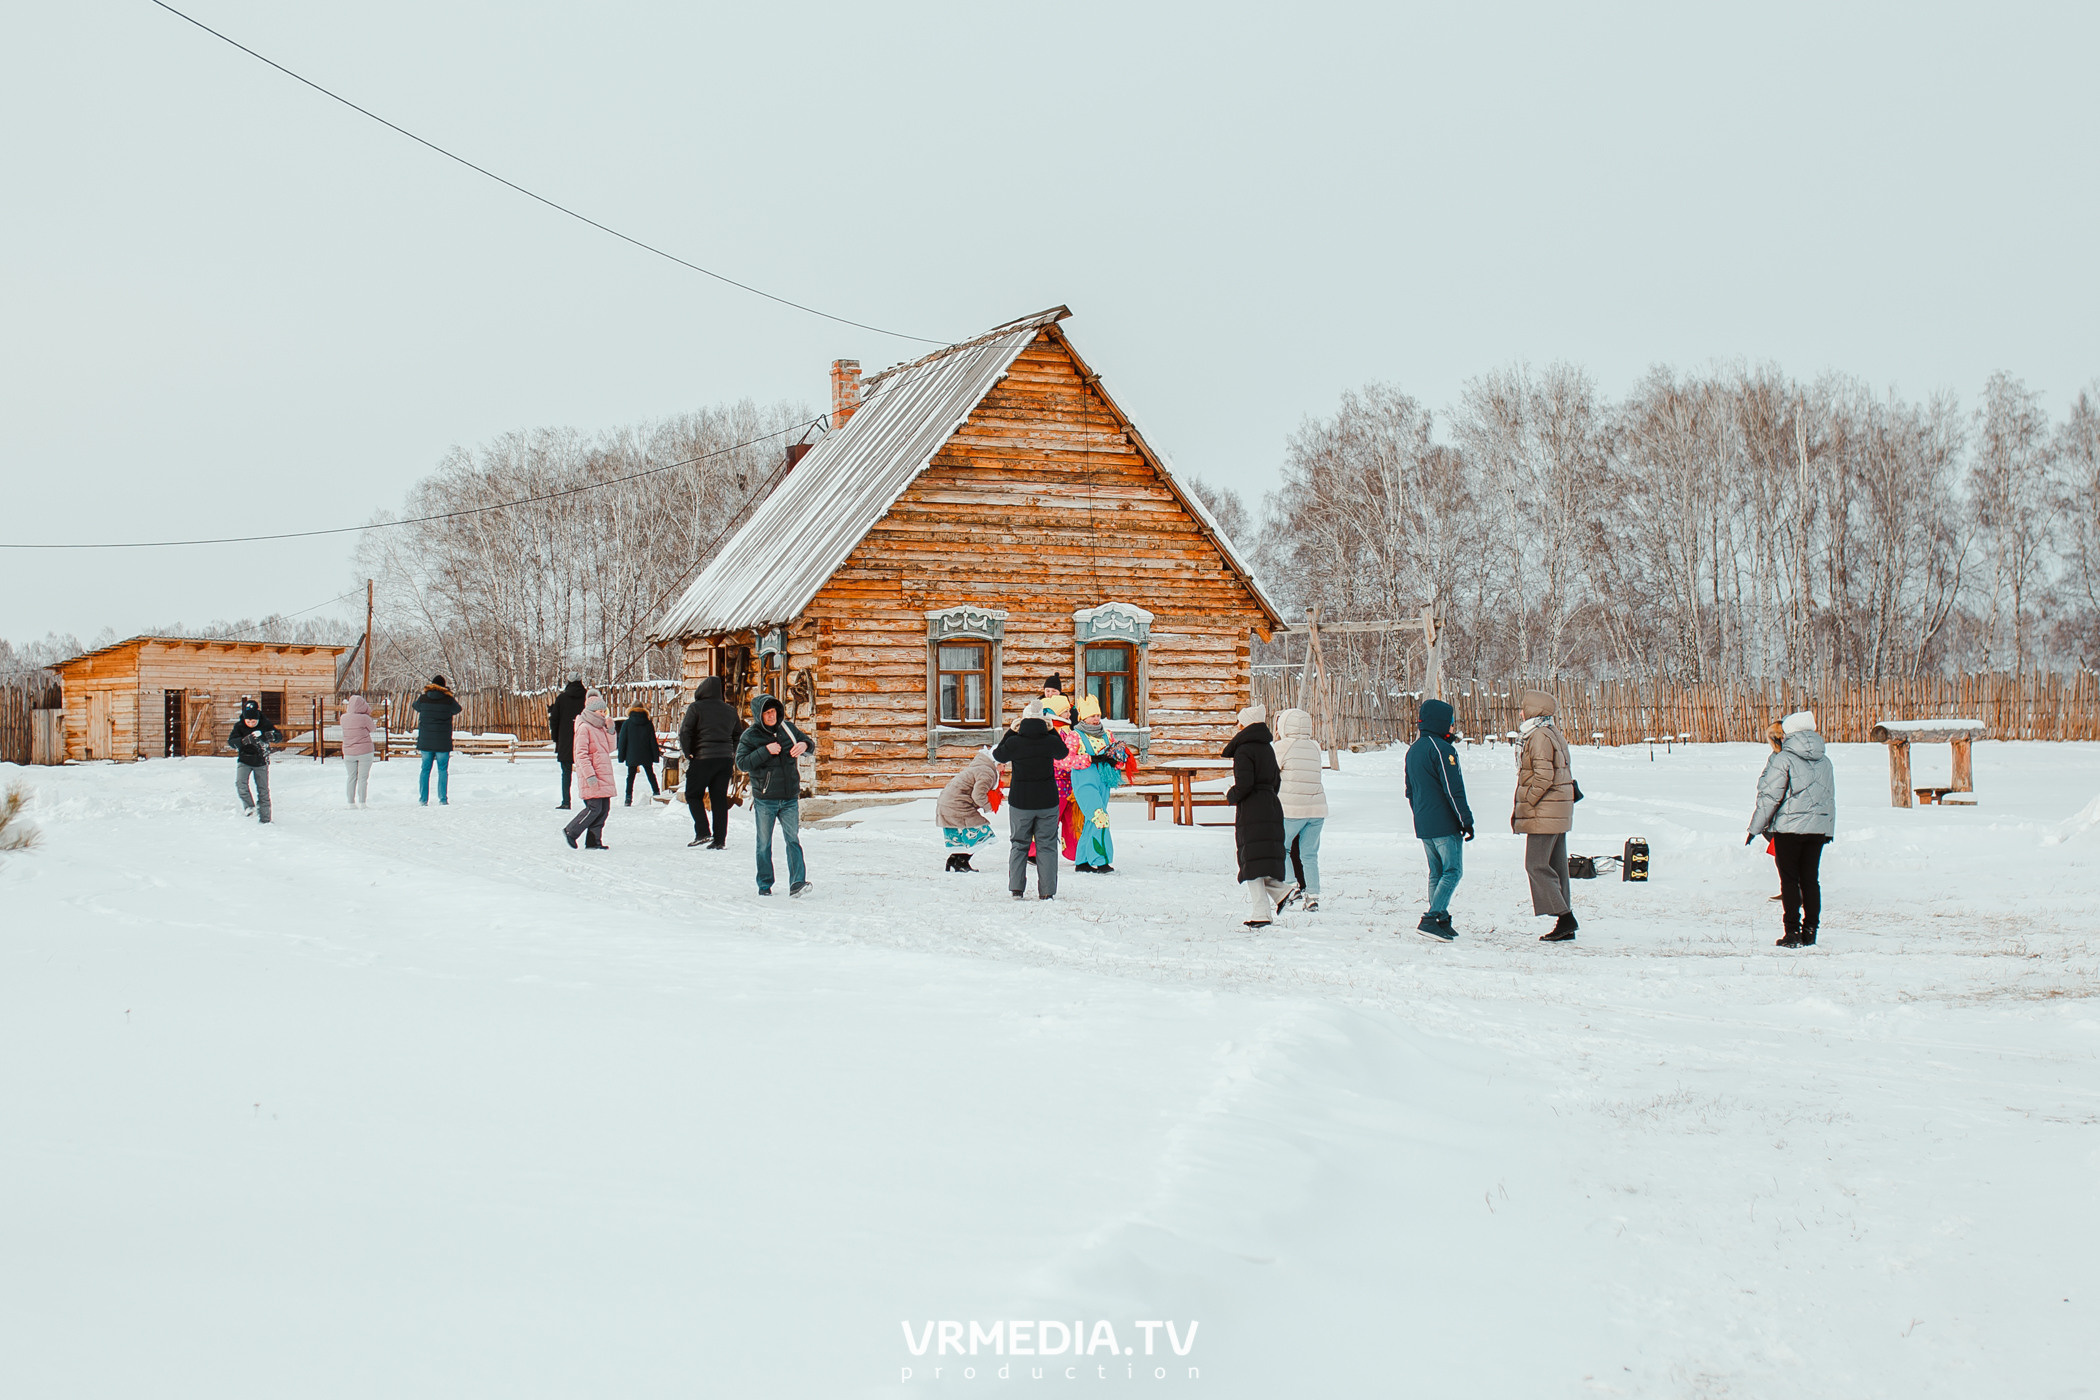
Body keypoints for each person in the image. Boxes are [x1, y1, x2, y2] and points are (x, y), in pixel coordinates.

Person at [1748, 709, 1836, 948]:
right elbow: (1829, 798)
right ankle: (1810, 931)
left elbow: (1769, 796)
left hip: (1789, 829)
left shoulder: (1783, 758)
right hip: (1817, 830)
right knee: (1810, 880)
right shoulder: (1825, 760)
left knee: (1789, 880)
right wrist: (1827, 829)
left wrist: (1755, 827)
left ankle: (1791, 933)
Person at [1403, 698, 1475, 939]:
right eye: (1451, 722)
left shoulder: (1413, 749)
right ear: (1441, 722)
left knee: (1436, 872)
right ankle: (1431, 917)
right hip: (1443, 821)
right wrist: (1466, 819)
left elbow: (1409, 791)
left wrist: (1420, 814)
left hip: (1424, 821)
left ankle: (1441, 917)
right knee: (1453, 871)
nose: (1453, 727)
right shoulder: (1443, 750)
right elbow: (1453, 789)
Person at [1512, 689, 1578, 942]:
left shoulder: (1538, 735)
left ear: (1535, 710)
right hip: (1557, 810)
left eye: (1524, 707)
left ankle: (1565, 916)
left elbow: (1544, 775)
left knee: (1536, 864)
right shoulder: (1552, 732)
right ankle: (1565, 923)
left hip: (1545, 811)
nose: (1521, 712)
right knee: (1556, 865)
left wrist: (1529, 799)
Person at [735, 693, 813, 896]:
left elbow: (808, 743)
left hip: (789, 797)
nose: (771, 716)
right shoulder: (750, 736)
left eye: (773, 711)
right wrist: (765, 751)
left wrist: (804, 745)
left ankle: (797, 883)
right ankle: (764, 885)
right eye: (766, 713)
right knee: (764, 843)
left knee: (792, 840)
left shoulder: (787, 728)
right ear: (758, 715)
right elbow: (741, 762)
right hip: (765, 799)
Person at [1224, 702, 1289, 928]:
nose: (1237, 726)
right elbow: (1276, 781)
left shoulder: (1244, 750)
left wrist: (1231, 794)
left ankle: (1262, 912)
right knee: (1259, 860)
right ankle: (1281, 893)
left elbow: (1245, 785)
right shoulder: (1267, 748)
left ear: (1246, 724)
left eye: (1240, 722)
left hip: (1252, 810)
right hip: (1270, 805)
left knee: (1251, 862)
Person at [1272, 707, 1329, 913]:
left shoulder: (1282, 747)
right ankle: (1312, 896)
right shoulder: (1315, 746)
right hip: (1317, 809)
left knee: (1281, 847)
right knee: (1309, 854)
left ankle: (1291, 885)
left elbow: (1272, 771)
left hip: (1292, 809)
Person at [678, 676, 744, 849]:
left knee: (693, 794)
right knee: (719, 799)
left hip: (702, 758)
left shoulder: (696, 708)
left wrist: (689, 752)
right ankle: (719, 840)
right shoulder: (730, 710)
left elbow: (686, 732)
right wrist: (732, 751)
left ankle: (703, 831)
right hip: (724, 761)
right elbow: (739, 734)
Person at [1069, 694, 1133, 872]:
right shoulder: (1075, 736)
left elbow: (1116, 757)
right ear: (1083, 717)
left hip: (1103, 782)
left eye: (1098, 715)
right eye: (1092, 716)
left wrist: (1116, 761)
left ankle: (1081, 861)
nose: (1096, 719)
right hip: (1084, 781)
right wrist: (1091, 759)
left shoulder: (1108, 734)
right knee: (1100, 817)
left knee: (1092, 820)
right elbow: (1063, 760)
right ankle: (1101, 860)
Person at [562, 689, 617, 850]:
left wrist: (611, 731)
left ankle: (593, 840)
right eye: (600, 711)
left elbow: (610, 748)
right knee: (594, 808)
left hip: (603, 775)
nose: (603, 714)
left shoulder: (599, 727)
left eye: (603, 711)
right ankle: (571, 830)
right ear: (592, 711)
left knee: (604, 809)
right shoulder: (584, 727)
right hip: (592, 776)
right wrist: (589, 775)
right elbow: (580, 754)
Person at [937, 746, 1002, 871]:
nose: (1004, 768)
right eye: (1003, 765)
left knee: (962, 835)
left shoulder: (980, 767)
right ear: (996, 763)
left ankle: (954, 859)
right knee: (980, 833)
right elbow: (978, 795)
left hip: (948, 803)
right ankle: (961, 861)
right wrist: (989, 806)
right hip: (957, 805)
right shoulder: (987, 773)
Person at [227, 700, 283, 823]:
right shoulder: (239, 726)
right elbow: (231, 741)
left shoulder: (265, 724)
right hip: (244, 760)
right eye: (248, 721)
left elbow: (279, 736)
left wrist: (272, 736)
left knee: (263, 789)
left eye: (254, 721)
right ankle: (250, 807)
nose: (251, 723)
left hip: (261, 761)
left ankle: (266, 819)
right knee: (240, 784)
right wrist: (242, 741)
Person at [412, 675, 462, 806]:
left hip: (426, 741)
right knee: (442, 770)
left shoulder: (423, 698)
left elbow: (415, 706)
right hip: (442, 741)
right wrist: (449, 694)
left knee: (425, 770)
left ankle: (423, 799)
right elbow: (458, 709)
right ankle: (443, 799)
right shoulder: (448, 700)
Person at [548, 677, 587, 809]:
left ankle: (566, 801)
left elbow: (554, 720)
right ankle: (589, 800)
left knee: (566, 772)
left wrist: (556, 738)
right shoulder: (586, 697)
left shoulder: (561, 699)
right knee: (585, 771)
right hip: (584, 738)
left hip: (565, 739)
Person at [618, 703, 662, 805]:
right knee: (650, 774)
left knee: (630, 776)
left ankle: (628, 798)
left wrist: (621, 757)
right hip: (646, 753)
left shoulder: (627, 723)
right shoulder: (648, 723)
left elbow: (622, 741)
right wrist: (655, 756)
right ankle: (656, 792)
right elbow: (652, 741)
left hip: (632, 753)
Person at [341, 694, 376, 807]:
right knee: (362, 778)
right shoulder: (365, 718)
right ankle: (362, 802)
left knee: (351, 777)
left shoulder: (343, 718)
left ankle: (350, 802)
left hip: (348, 752)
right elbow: (373, 729)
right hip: (365, 752)